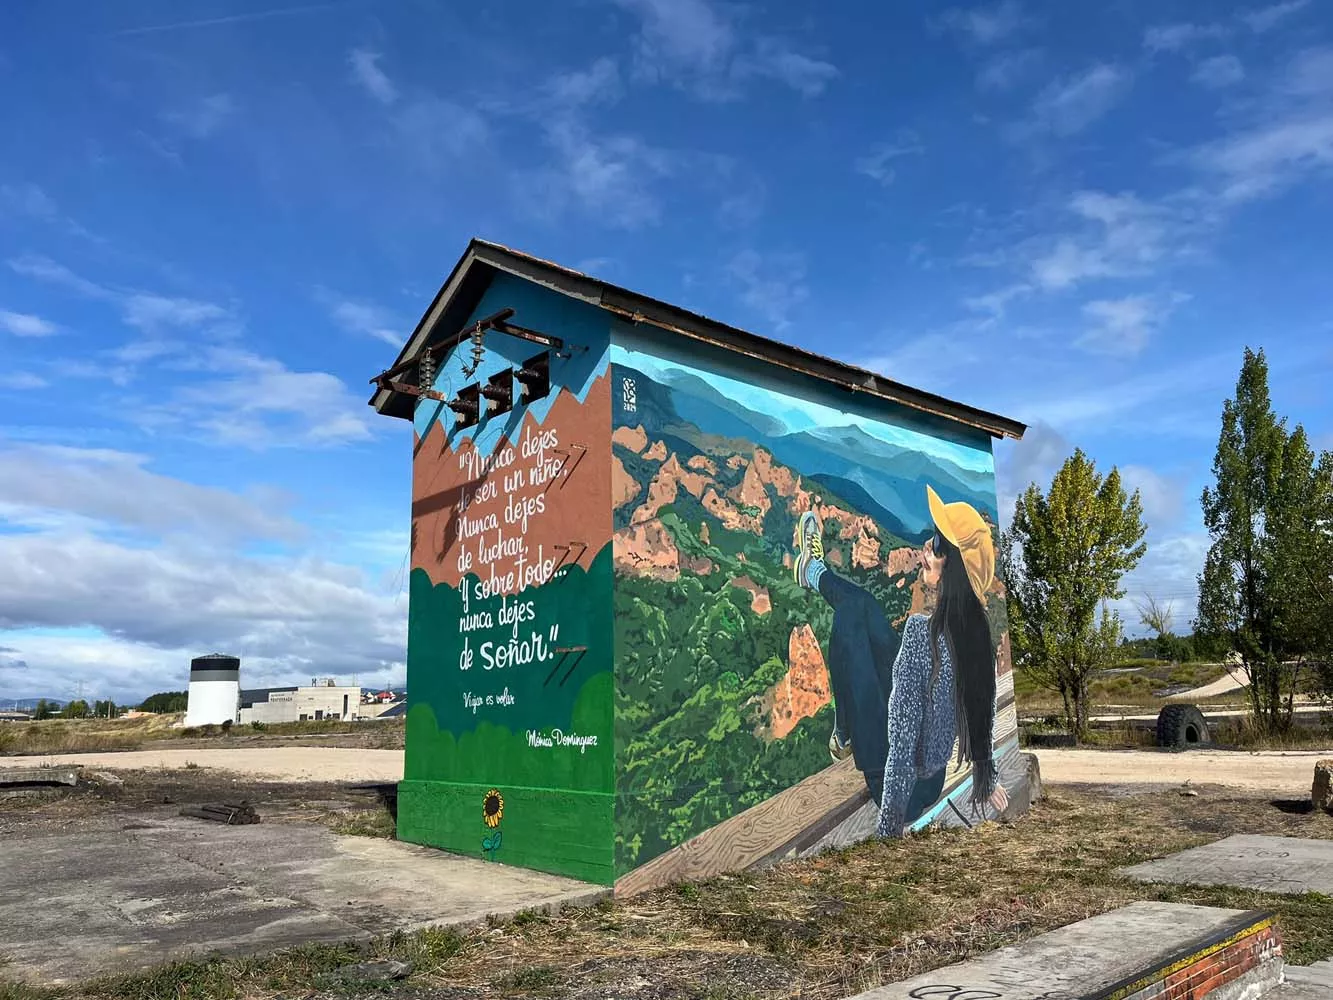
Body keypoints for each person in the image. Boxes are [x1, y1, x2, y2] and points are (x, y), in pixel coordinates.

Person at [794, 485, 1009, 837]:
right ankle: (813, 573)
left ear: (951, 568)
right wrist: (987, 777)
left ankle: (845, 729)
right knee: (863, 604)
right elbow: (980, 710)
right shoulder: (974, 636)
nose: (926, 546)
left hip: (896, 786)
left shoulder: (920, 635)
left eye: (937, 545)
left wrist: (889, 832)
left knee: (850, 619)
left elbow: (904, 746)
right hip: (931, 781)